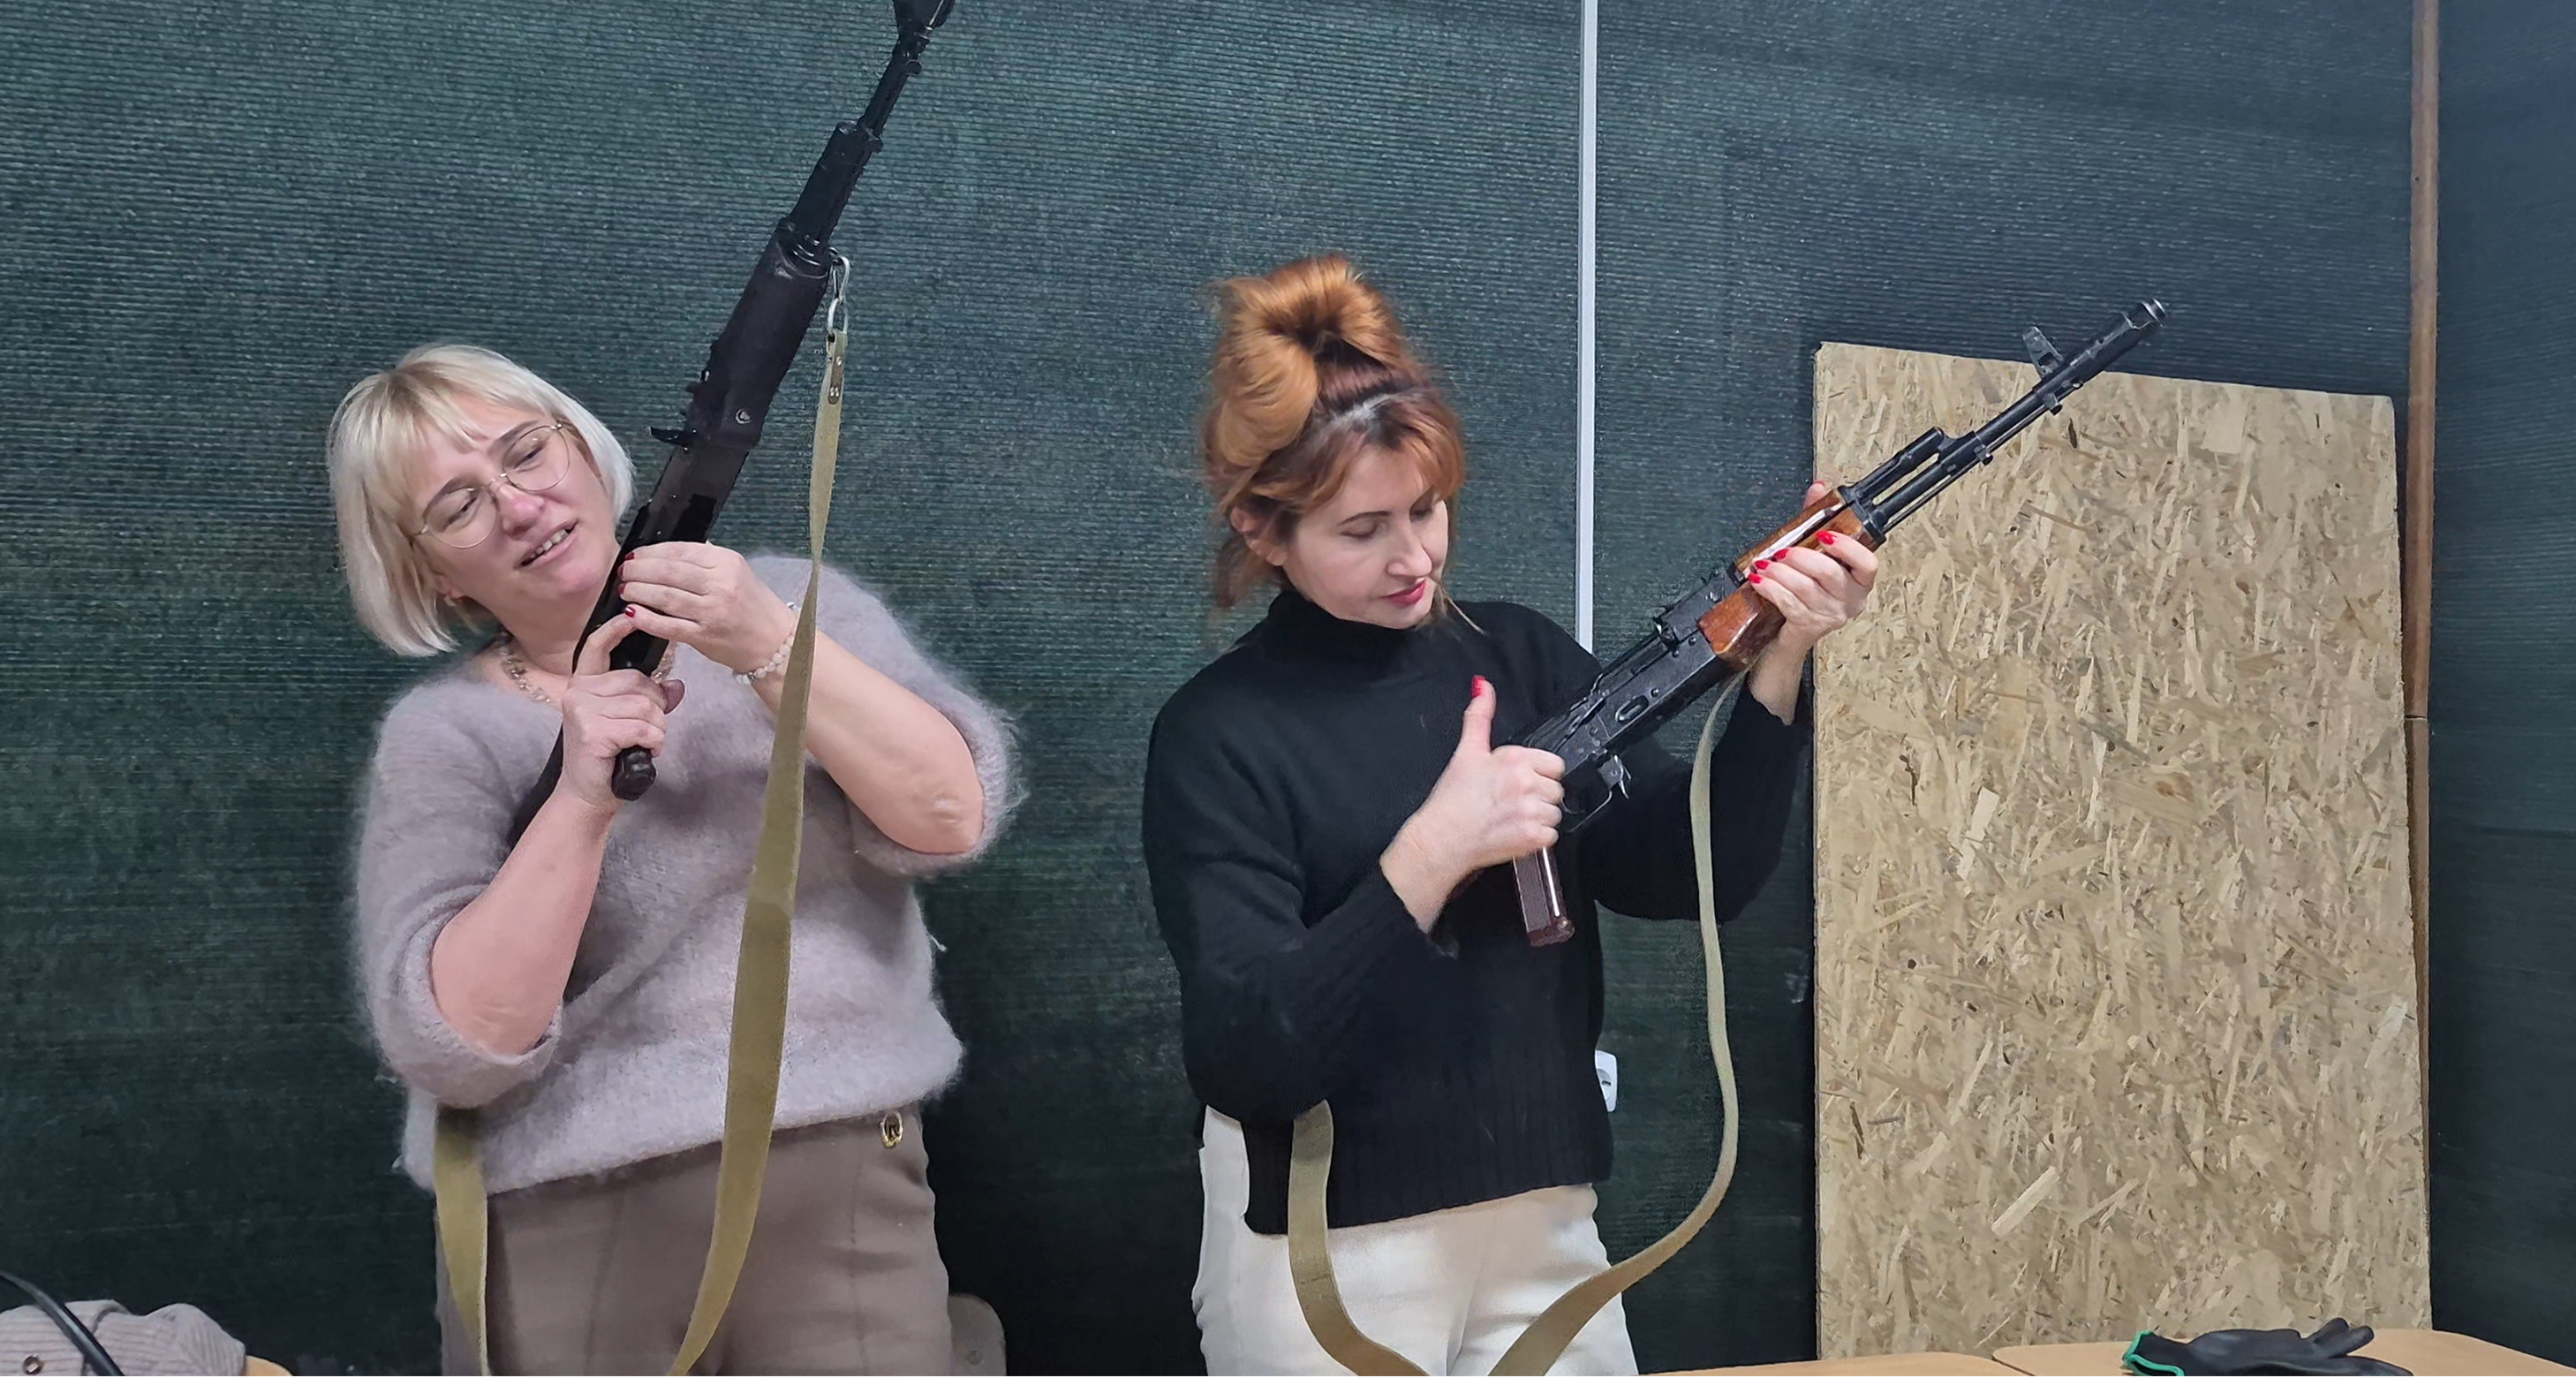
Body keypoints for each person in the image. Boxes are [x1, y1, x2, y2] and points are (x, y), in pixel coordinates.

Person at [1143, 256, 1876, 1374]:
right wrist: (1431, 855)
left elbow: (1695, 874)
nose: (1413, 557)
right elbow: (1251, 1057)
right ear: (1260, 527)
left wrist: (1782, 660)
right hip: (1323, 1245)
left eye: (1426, 508)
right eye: (1361, 529)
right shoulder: (1218, 732)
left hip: (1545, 1218)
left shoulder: (1518, 652)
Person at [329, 343, 1012, 1375]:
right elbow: (455, 1043)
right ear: (430, 573)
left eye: (525, 453)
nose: (517, 505)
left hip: (836, 1188)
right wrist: (578, 801)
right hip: (562, 1223)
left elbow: (948, 816)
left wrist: (767, 644)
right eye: (458, 506)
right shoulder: (445, 735)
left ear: (582, 449)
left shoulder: (790, 603)